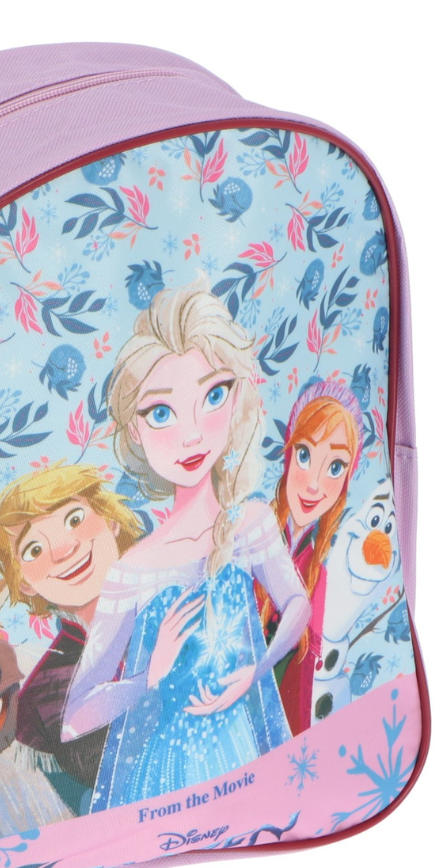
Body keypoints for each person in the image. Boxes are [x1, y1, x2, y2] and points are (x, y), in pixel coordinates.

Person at [60, 277, 310, 811]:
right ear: (134, 430)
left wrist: (258, 669)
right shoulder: (134, 570)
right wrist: (146, 679)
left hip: (243, 749)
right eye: (161, 413)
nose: (191, 435)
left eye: (212, 396)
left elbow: (297, 603)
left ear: (236, 396)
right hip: (161, 778)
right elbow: (74, 716)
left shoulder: (251, 523)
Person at [0, 462, 143, 814]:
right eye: (34, 550)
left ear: (112, 521)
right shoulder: (41, 699)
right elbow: (89, 804)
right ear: (25, 583)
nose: (63, 549)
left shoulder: (181, 596)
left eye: (74, 519)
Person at [261, 380, 363, 733]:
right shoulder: (253, 536)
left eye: (335, 467)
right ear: (288, 455)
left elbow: (302, 689)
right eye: (305, 455)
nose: (315, 485)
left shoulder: (318, 579)